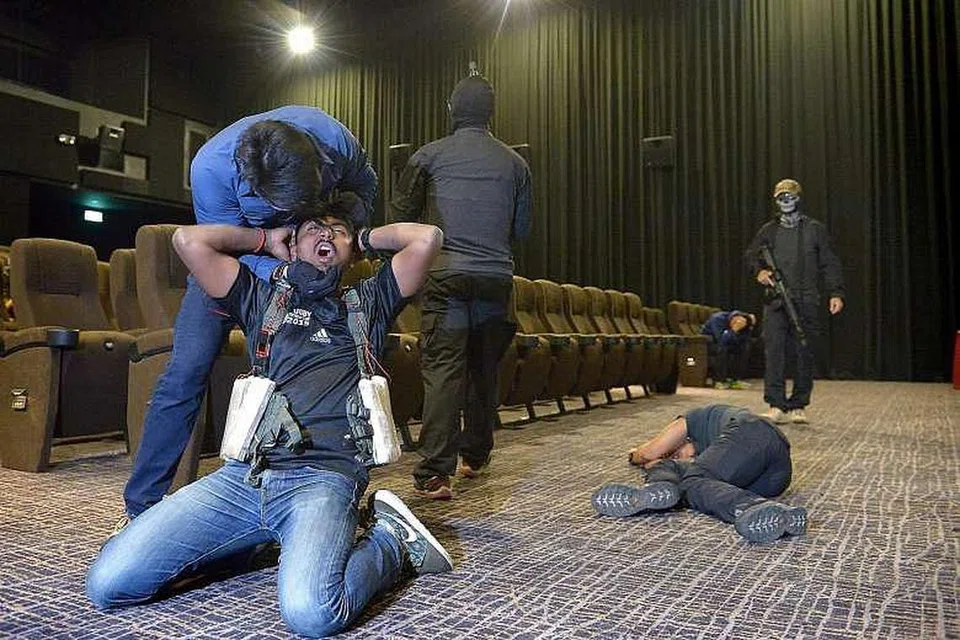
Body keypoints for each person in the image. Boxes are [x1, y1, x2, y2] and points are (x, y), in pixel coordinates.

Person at [87, 203, 451, 638]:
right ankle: (258, 543)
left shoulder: (369, 302)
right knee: (108, 583)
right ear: (292, 246)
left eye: (337, 231)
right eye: (313, 229)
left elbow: (426, 238)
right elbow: (189, 241)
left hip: (323, 480)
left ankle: (391, 541)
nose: (326, 235)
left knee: (312, 614)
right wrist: (263, 240)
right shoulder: (262, 299)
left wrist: (362, 237)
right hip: (245, 478)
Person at [122, 105, 378, 523]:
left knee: (318, 366)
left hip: (303, 271)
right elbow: (217, 249)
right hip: (242, 264)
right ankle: (140, 507)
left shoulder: (332, 137)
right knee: (185, 373)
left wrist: (345, 223)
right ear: (250, 183)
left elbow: (366, 185)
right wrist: (273, 257)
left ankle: (315, 491)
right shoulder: (211, 169)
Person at [391, 71, 532, 499]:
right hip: (494, 279)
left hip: (445, 278)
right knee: (483, 369)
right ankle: (476, 455)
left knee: (444, 371)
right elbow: (522, 230)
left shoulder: (428, 156)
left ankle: (435, 472)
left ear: (451, 110)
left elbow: (401, 216)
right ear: (491, 113)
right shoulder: (516, 164)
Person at [590, 404, 807, 543]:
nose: (678, 458)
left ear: (683, 440)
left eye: (675, 453)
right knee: (689, 481)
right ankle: (659, 489)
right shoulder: (712, 454)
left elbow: (649, 452)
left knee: (693, 480)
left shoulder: (693, 419)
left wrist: (636, 455)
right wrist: (661, 465)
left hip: (752, 432)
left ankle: (749, 506)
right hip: (773, 476)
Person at [745, 178, 844, 425]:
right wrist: (759, 271)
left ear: (798, 198)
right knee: (775, 352)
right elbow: (751, 255)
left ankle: (799, 404)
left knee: (804, 352)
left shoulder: (814, 229)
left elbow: (829, 262)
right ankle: (776, 404)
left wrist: (836, 292)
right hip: (776, 301)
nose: (786, 201)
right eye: (781, 197)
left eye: (790, 196)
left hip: (807, 300)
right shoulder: (768, 230)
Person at [700, 309, 755, 389]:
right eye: (734, 321)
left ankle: (734, 379)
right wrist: (734, 329)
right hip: (707, 344)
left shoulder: (745, 324)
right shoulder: (718, 318)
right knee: (723, 348)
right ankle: (719, 380)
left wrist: (750, 326)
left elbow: (745, 339)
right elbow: (721, 340)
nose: (736, 323)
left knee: (744, 347)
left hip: (727, 342)